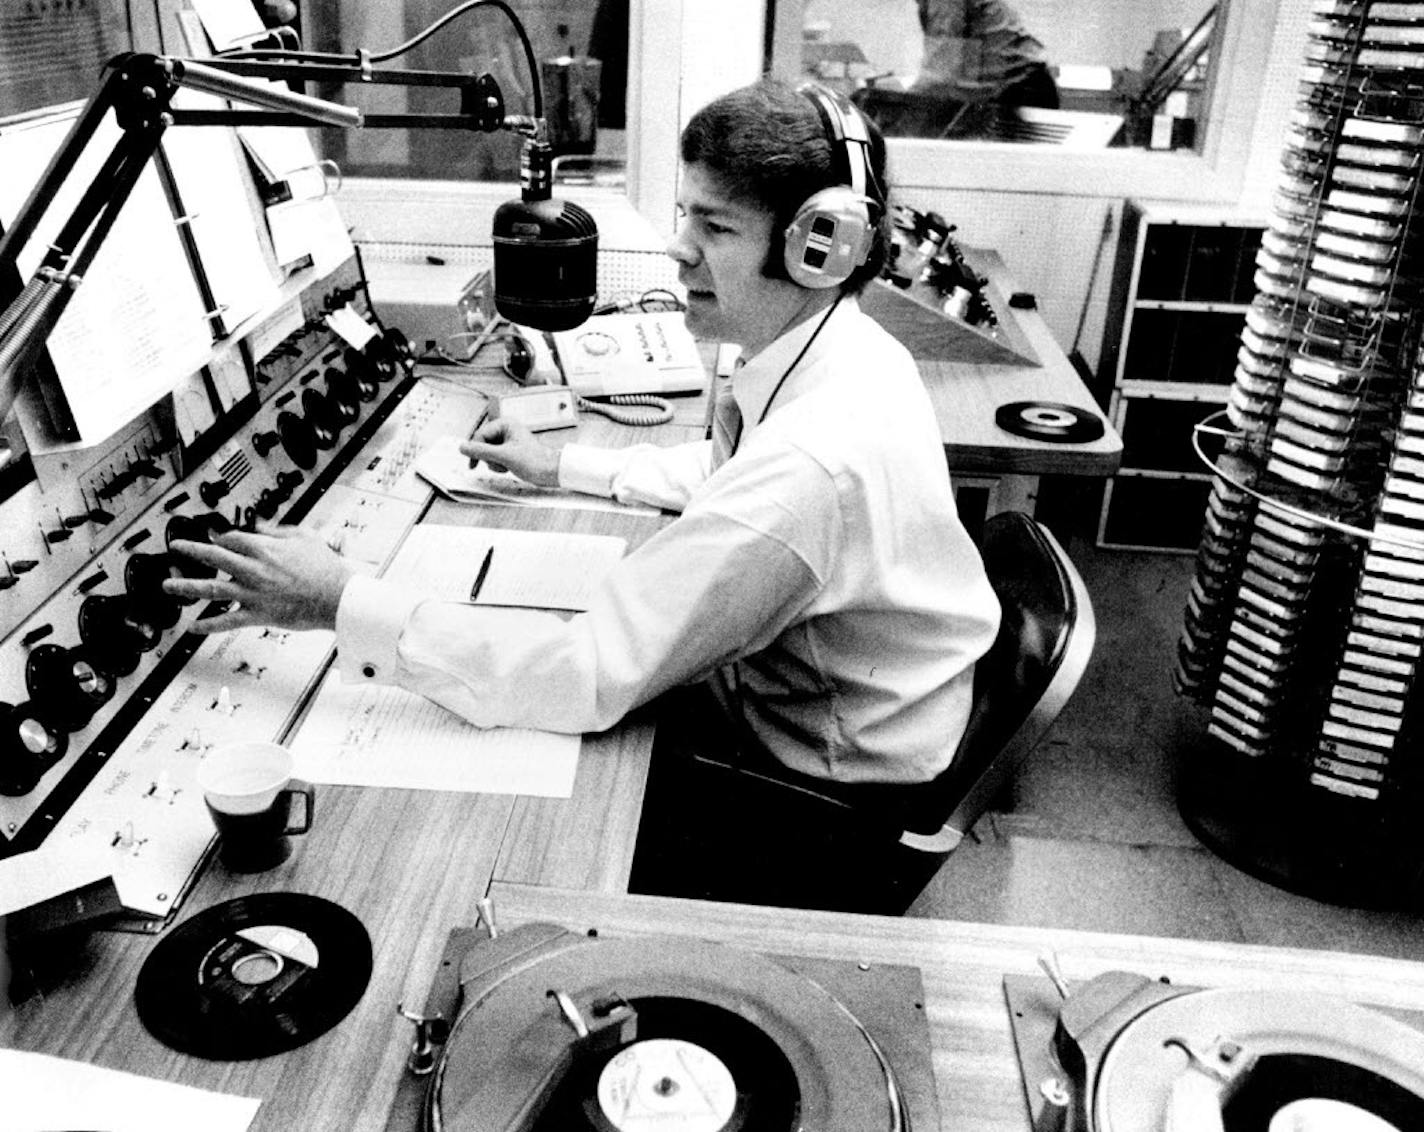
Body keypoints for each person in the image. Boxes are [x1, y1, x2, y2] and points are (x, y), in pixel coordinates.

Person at [164, 79, 1000, 910]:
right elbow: (727, 484)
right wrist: (562, 468)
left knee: (448, 869)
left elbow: (590, 673)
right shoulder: (843, 349)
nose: (680, 249)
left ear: (819, 247)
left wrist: (340, 600)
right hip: (848, 716)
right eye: (687, 215)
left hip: (820, 801)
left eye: (715, 226)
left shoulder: (808, 471)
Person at [856, 0, 1058, 138]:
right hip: (1014, 86)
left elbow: (941, 78)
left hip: (1018, 92)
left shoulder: (944, 2)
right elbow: (957, 70)